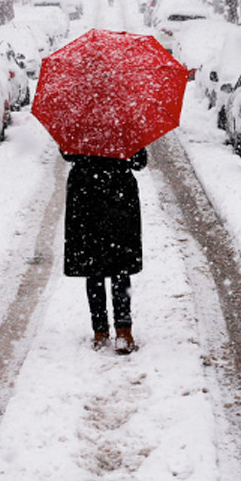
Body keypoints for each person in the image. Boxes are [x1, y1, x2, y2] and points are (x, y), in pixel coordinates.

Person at [62, 147, 148, 354]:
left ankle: (100, 332)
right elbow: (139, 162)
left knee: (94, 269)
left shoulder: (79, 123)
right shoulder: (126, 124)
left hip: (85, 196)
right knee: (120, 267)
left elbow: (67, 154)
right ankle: (123, 331)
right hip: (119, 198)